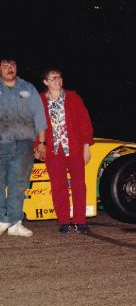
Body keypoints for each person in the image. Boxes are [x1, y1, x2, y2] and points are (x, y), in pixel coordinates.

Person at [0, 56, 47, 239]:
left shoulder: (28, 88)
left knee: (19, 184)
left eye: (12, 65)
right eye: (5, 65)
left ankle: (15, 223)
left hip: (24, 144)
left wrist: (41, 143)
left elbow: (39, 117)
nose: (9, 68)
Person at [38, 68, 94, 234]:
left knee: (78, 185)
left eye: (59, 77)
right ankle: (63, 220)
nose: (58, 80)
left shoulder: (74, 98)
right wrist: (38, 146)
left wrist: (86, 147)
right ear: (45, 82)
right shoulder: (39, 100)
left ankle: (80, 220)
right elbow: (35, 125)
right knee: (58, 186)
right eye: (53, 78)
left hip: (74, 148)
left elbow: (85, 123)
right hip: (53, 151)